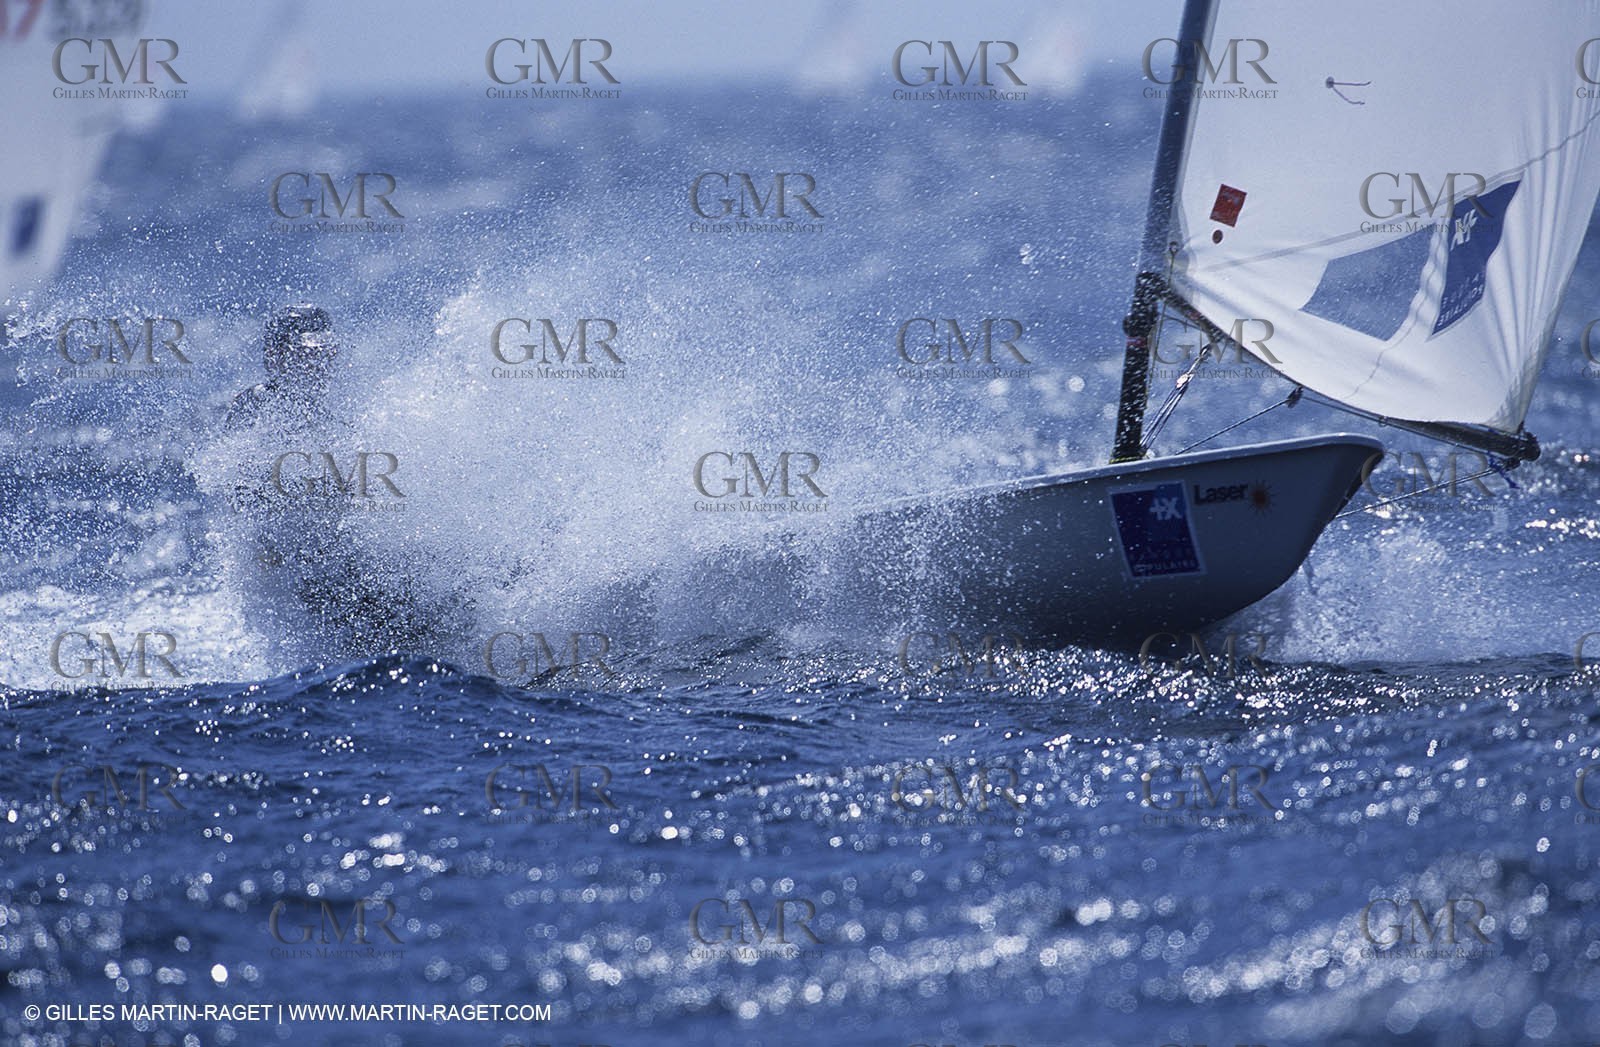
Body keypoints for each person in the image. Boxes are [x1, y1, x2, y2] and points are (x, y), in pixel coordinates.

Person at [226, 303, 338, 432]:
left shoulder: (331, 412)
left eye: (325, 352)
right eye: (306, 352)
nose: (319, 363)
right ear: (275, 355)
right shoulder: (255, 404)